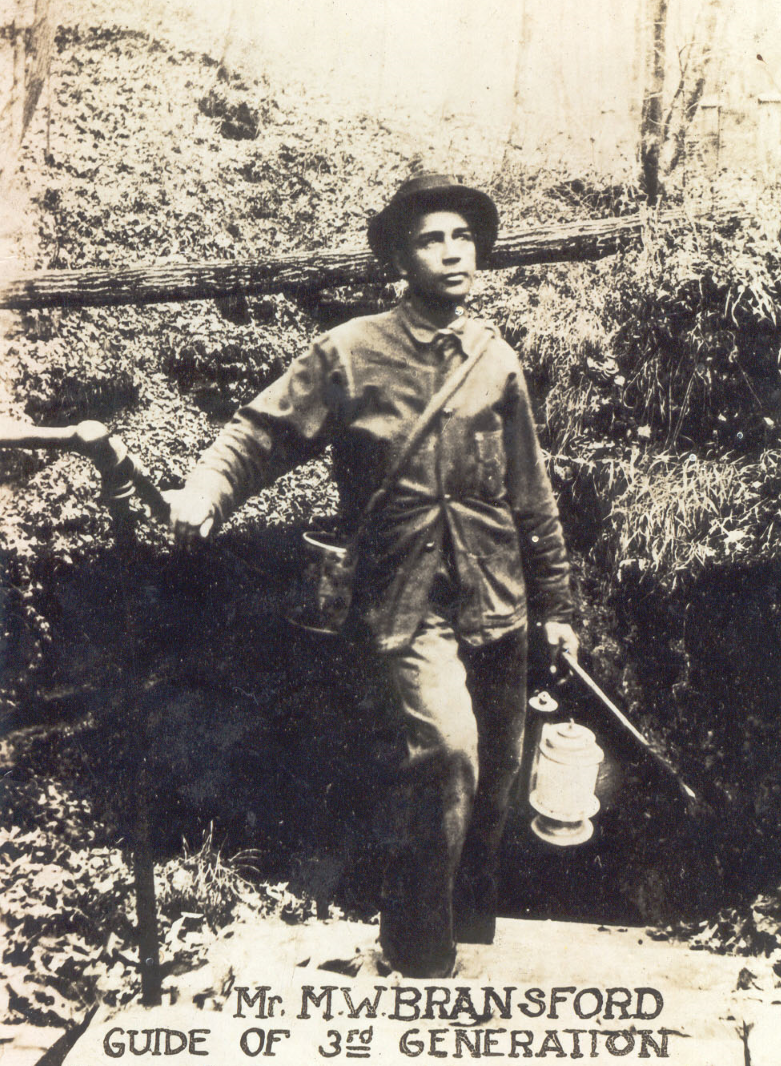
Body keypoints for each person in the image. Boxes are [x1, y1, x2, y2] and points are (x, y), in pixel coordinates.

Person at [169, 173, 579, 977]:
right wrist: (207, 488)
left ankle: (466, 946)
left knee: (493, 785)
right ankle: (420, 960)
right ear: (400, 254)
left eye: (463, 236)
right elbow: (261, 432)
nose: (452, 251)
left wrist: (558, 603)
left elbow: (533, 494)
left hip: (498, 600)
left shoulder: (496, 362)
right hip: (402, 601)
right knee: (447, 755)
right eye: (431, 238)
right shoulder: (350, 351)